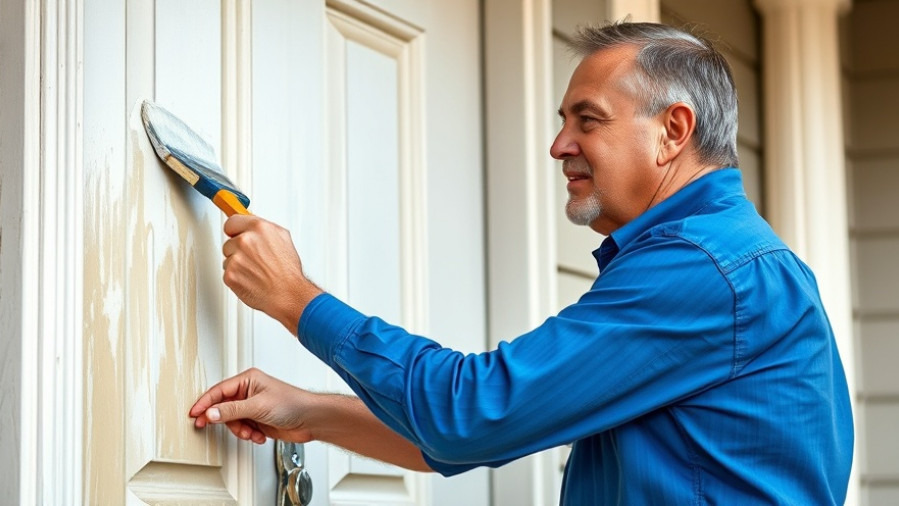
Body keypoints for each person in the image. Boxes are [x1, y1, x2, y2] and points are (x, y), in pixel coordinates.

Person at [190, 21, 853, 504]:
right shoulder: (714, 261)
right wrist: (311, 414)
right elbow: (469, 436)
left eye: (586, 120)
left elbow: (472, 415)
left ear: (672, 131)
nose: (558, 144)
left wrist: (297, 301)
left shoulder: (700, 270)